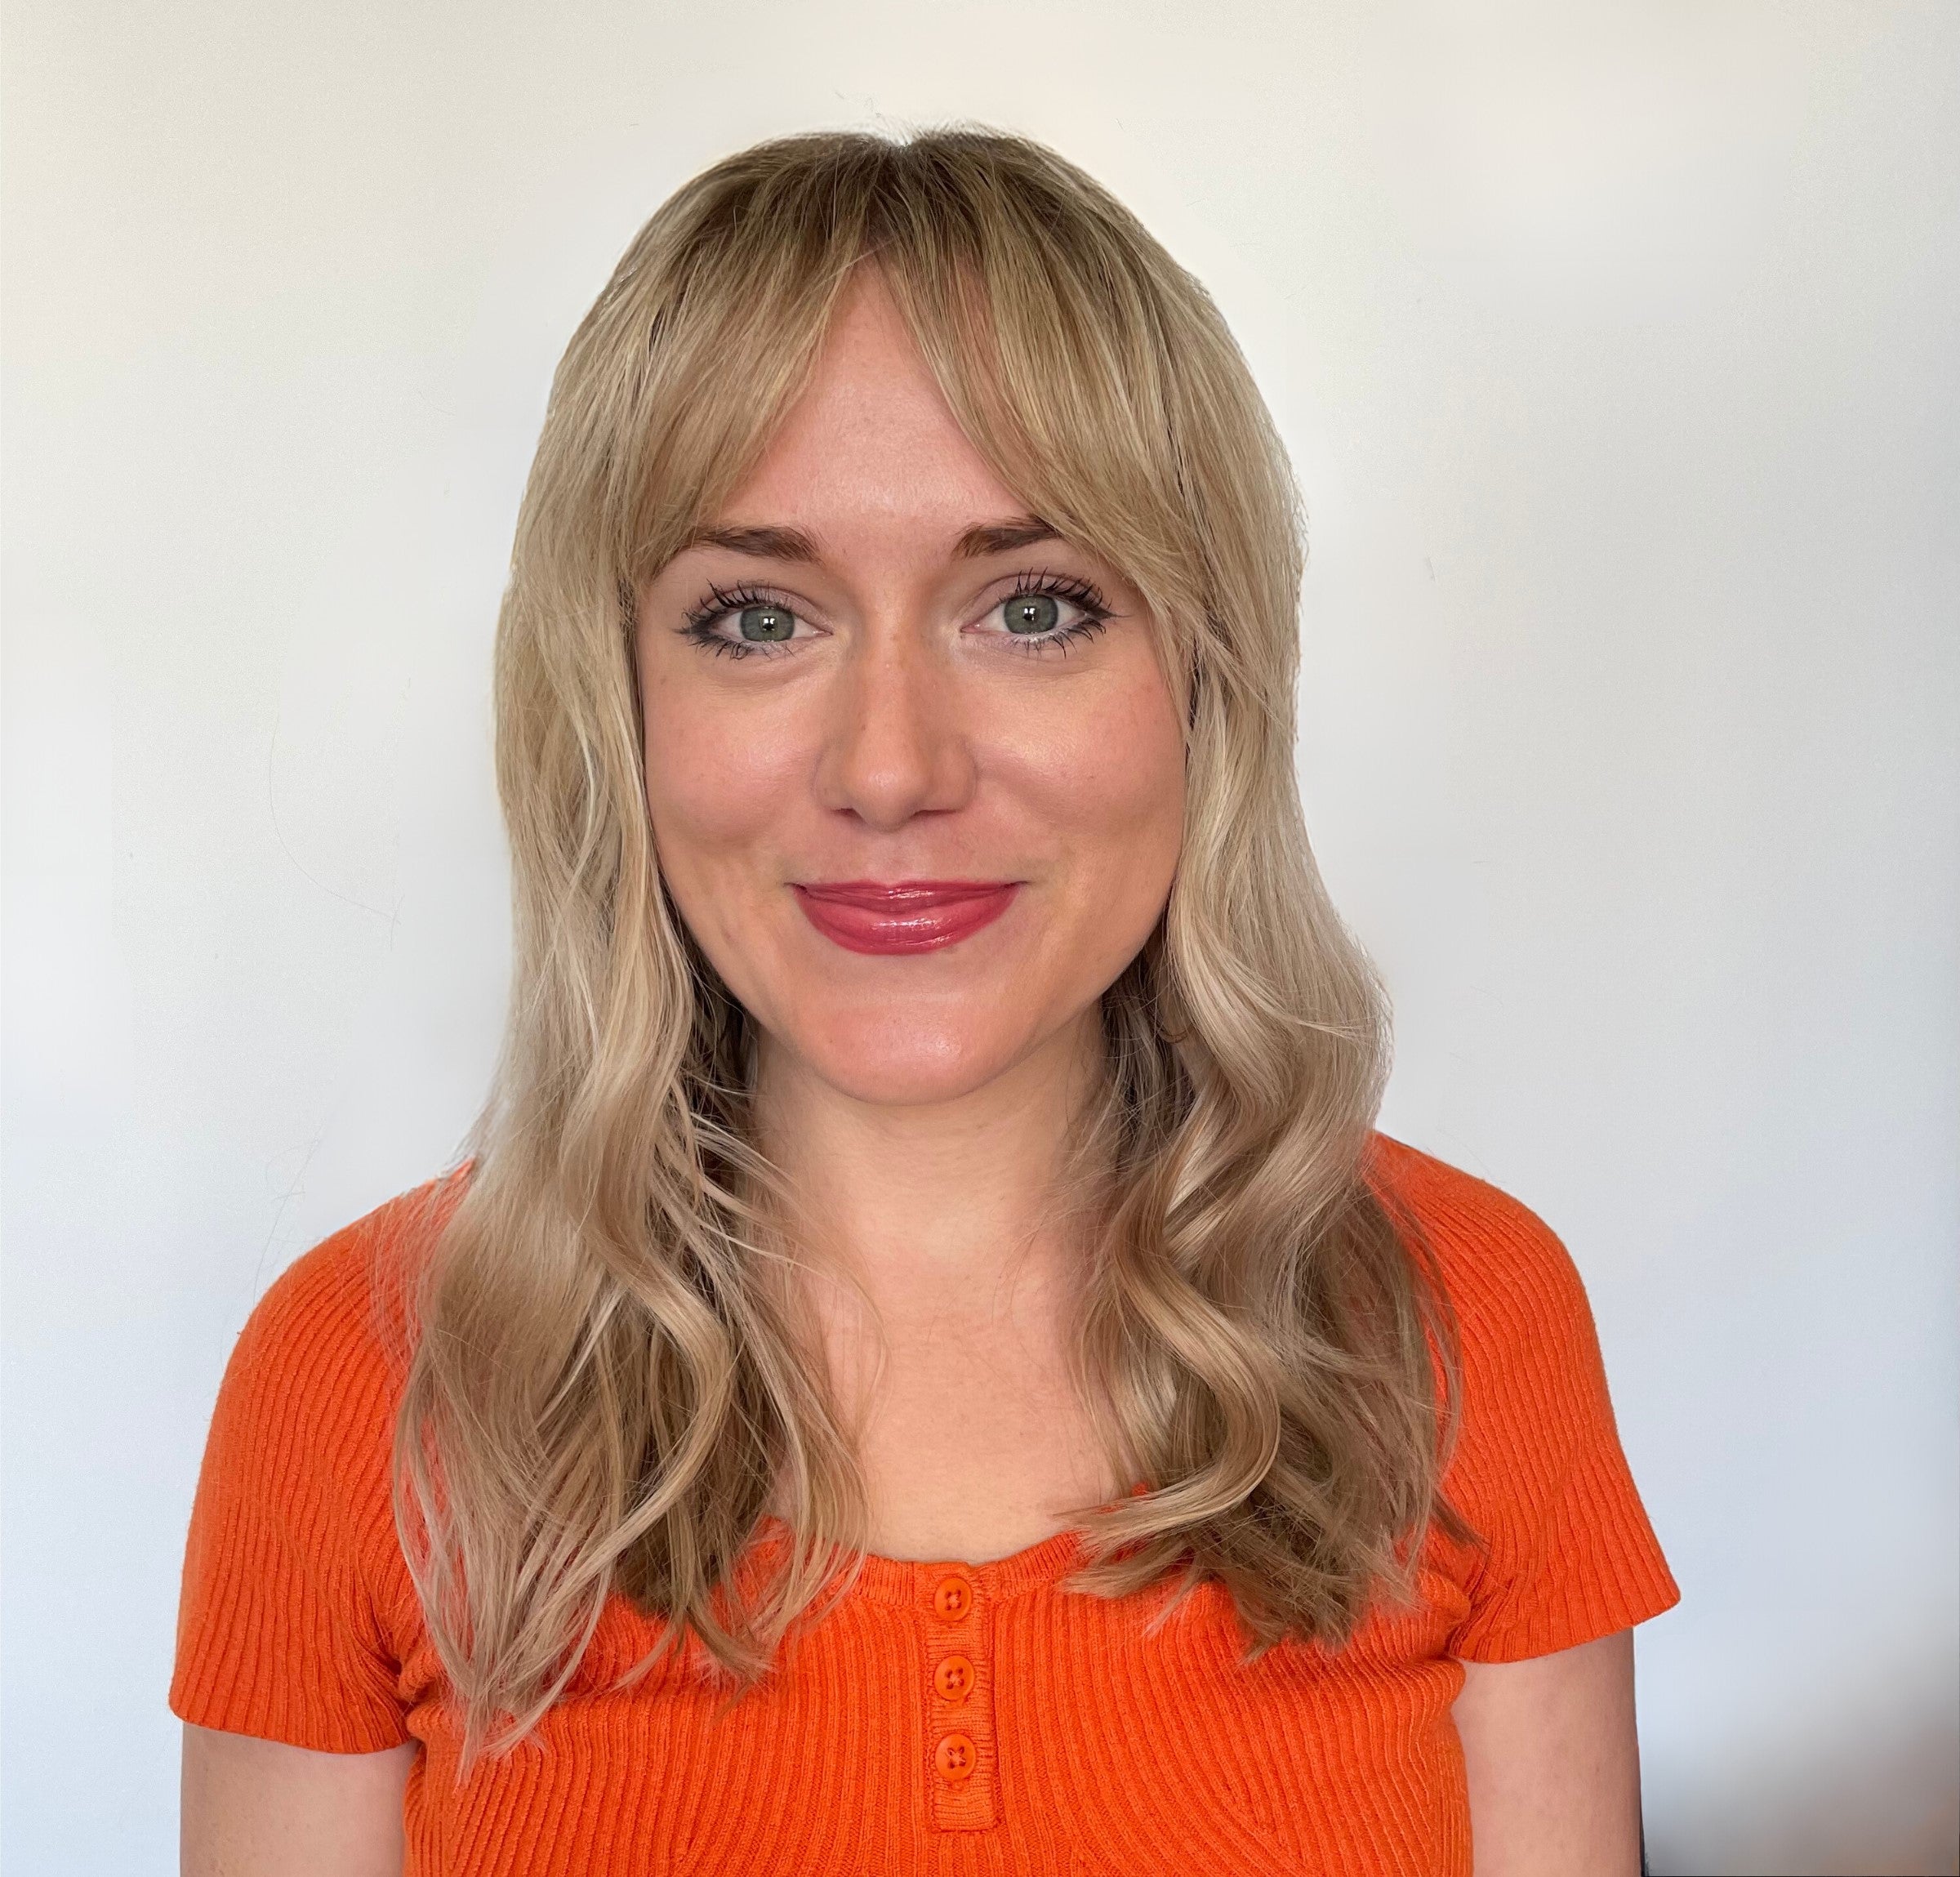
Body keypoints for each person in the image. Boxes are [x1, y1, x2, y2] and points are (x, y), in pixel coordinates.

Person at [172, 128, 1680, 1876]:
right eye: (754, 618)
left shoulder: (1467, 1324)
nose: (891, 768)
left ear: (1206, 681)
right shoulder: (362, 1378)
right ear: (613, 702)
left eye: (1033, 606)